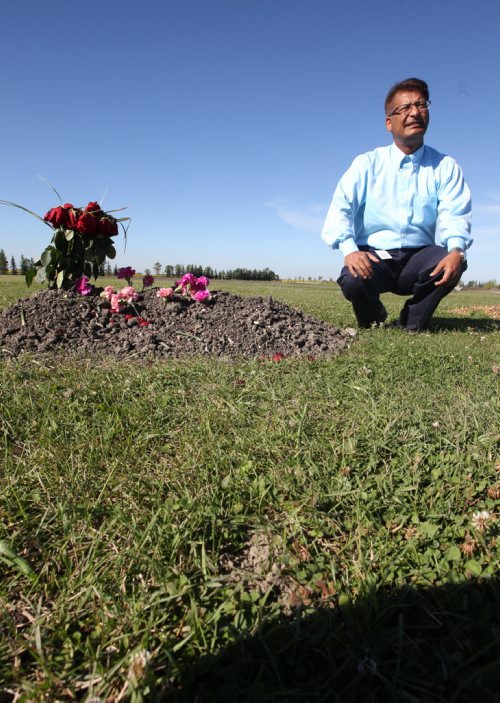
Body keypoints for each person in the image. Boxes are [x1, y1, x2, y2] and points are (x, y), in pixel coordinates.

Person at [321, 78, 472, 331]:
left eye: (421, 104)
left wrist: (456, 249)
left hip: (419, 257)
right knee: (353, 278)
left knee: (454, 260)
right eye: (404, 108)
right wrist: (349, 249)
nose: (414, 112)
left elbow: (454, 213)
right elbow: (341, 208)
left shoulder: (445, 167)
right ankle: (373, 315)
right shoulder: (367, 163)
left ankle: (411, 320)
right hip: (376, 256)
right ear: (389, 123)